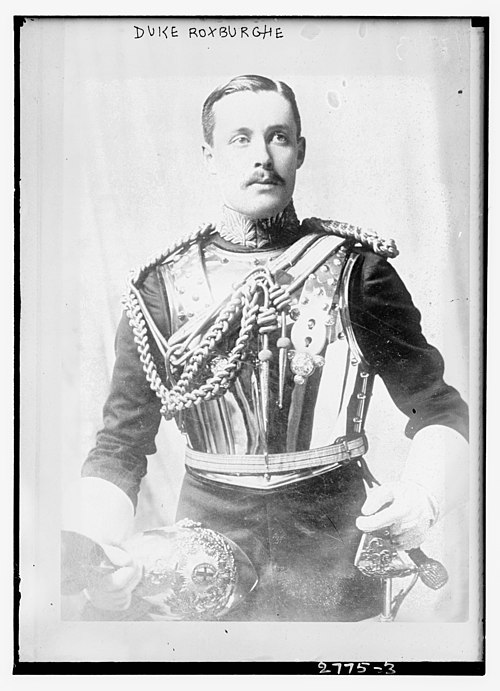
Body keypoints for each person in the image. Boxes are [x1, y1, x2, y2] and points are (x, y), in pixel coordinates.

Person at [66, 74, 469, 622]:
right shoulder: (160, 289)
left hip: (335, 553)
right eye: (240, 139)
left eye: (278, 137)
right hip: (198, 561)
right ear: (209, 156)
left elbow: (441, 410)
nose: (262, 156)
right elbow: (119, 445)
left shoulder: (358, 272)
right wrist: (98, 559)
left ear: (299, 151)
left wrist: (423, 496)